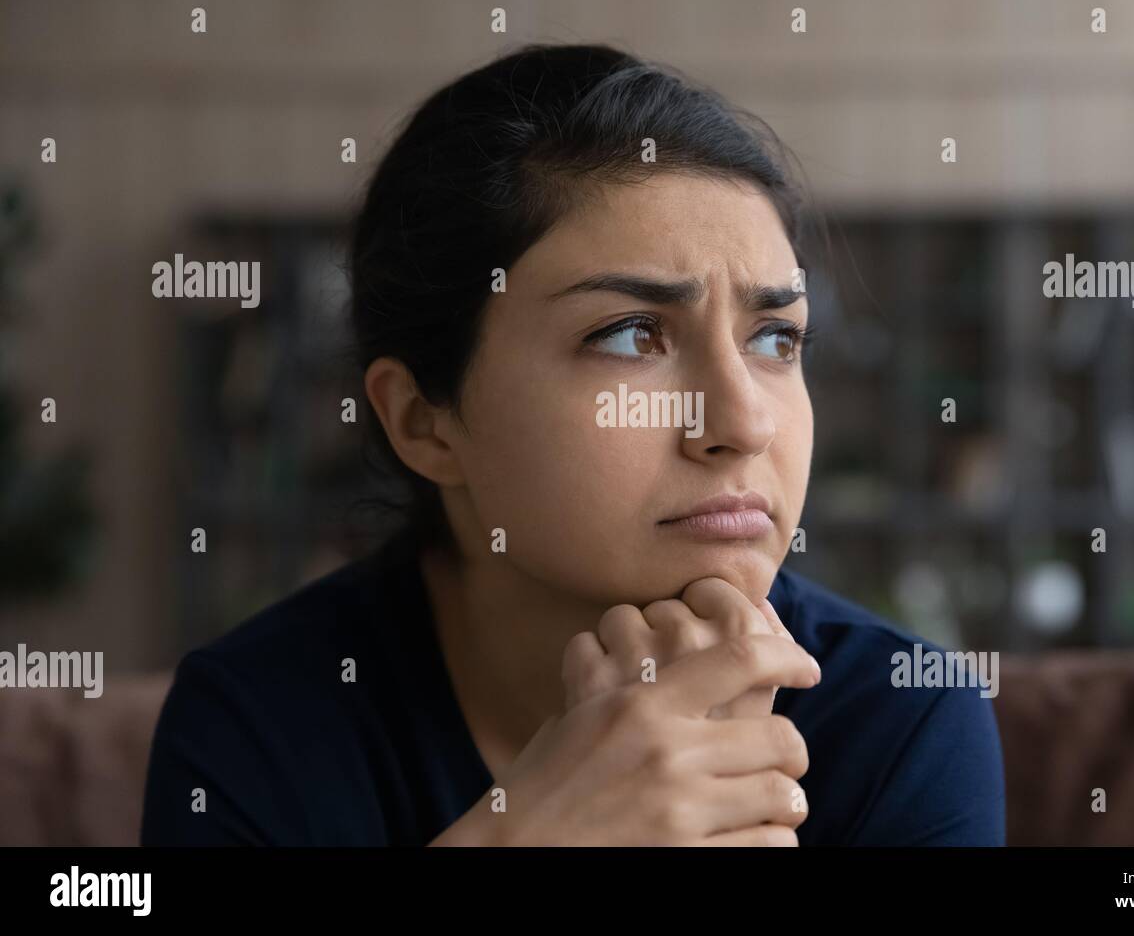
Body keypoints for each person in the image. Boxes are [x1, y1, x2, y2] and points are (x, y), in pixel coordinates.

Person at [141, 42, 1005, 846]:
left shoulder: (903, 720)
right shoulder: (259, 724)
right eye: (632, 335)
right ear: (423, 420)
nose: (744, 425)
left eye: (776, 339)